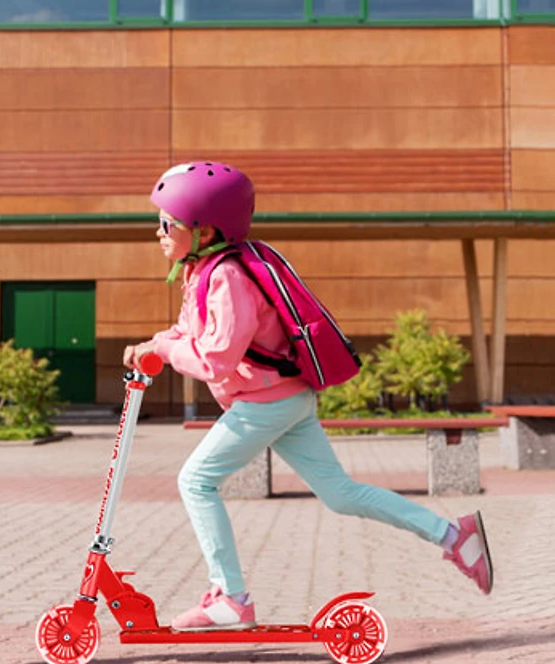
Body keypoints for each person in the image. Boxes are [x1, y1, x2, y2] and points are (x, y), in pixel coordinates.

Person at [123, 161, 494, 632]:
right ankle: (454, 536)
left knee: (195, 482)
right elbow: (188, 333)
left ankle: (231, 598)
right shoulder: (203, 271)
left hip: (265, 404)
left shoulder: (228, 277)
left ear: (205, 228)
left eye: (167, 222)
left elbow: (215, 358)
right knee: (340, 494)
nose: (157, 231)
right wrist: (154, 345)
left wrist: (168, 351)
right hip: (282, 400)